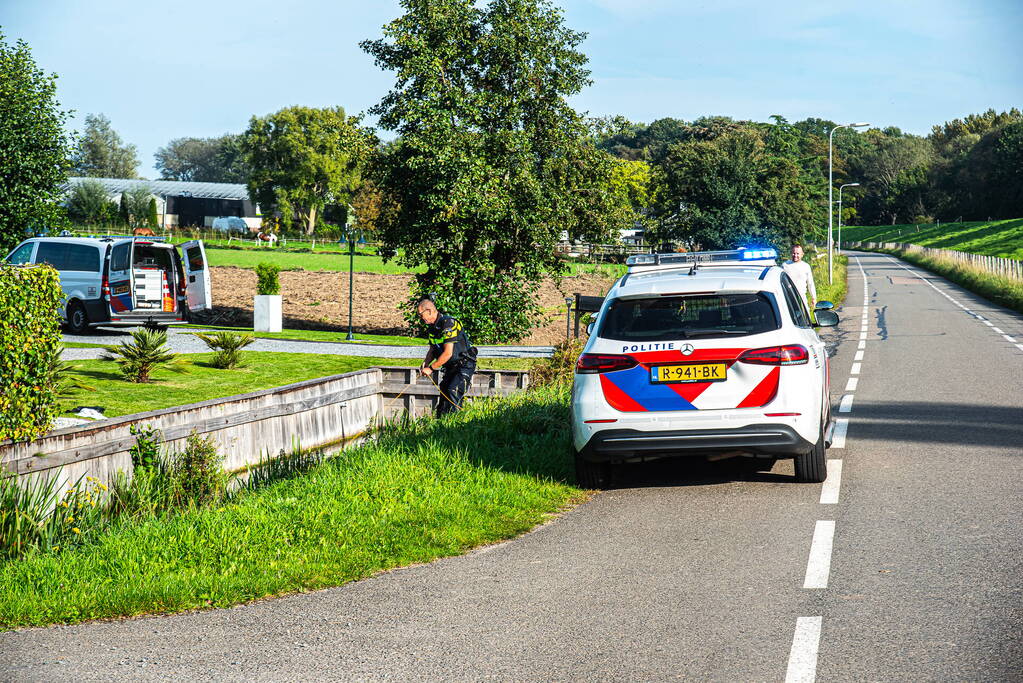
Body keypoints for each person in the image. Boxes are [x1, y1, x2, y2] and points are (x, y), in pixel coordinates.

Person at [416, 297, 478, 416]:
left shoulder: (448, 323)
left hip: (464, 364)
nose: (420, 318)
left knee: (452, 390)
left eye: (420, 315)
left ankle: (455, 424)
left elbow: (448, 353)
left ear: (429, 311)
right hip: (451, 367)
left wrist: (431, 368)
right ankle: (441, 423)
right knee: (444, 390)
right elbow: (433, 349)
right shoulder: (432, 328)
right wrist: (426, 363)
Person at [782, 244, 817, 309]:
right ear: (791, 253)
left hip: (801, 298)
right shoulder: (785, 265)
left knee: (805, 317)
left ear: (802, 254)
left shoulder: (806, 266)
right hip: (787, 298)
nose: (795, 255)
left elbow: (810, 283)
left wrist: (813, 298)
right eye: (793, 253)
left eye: (798, 253)